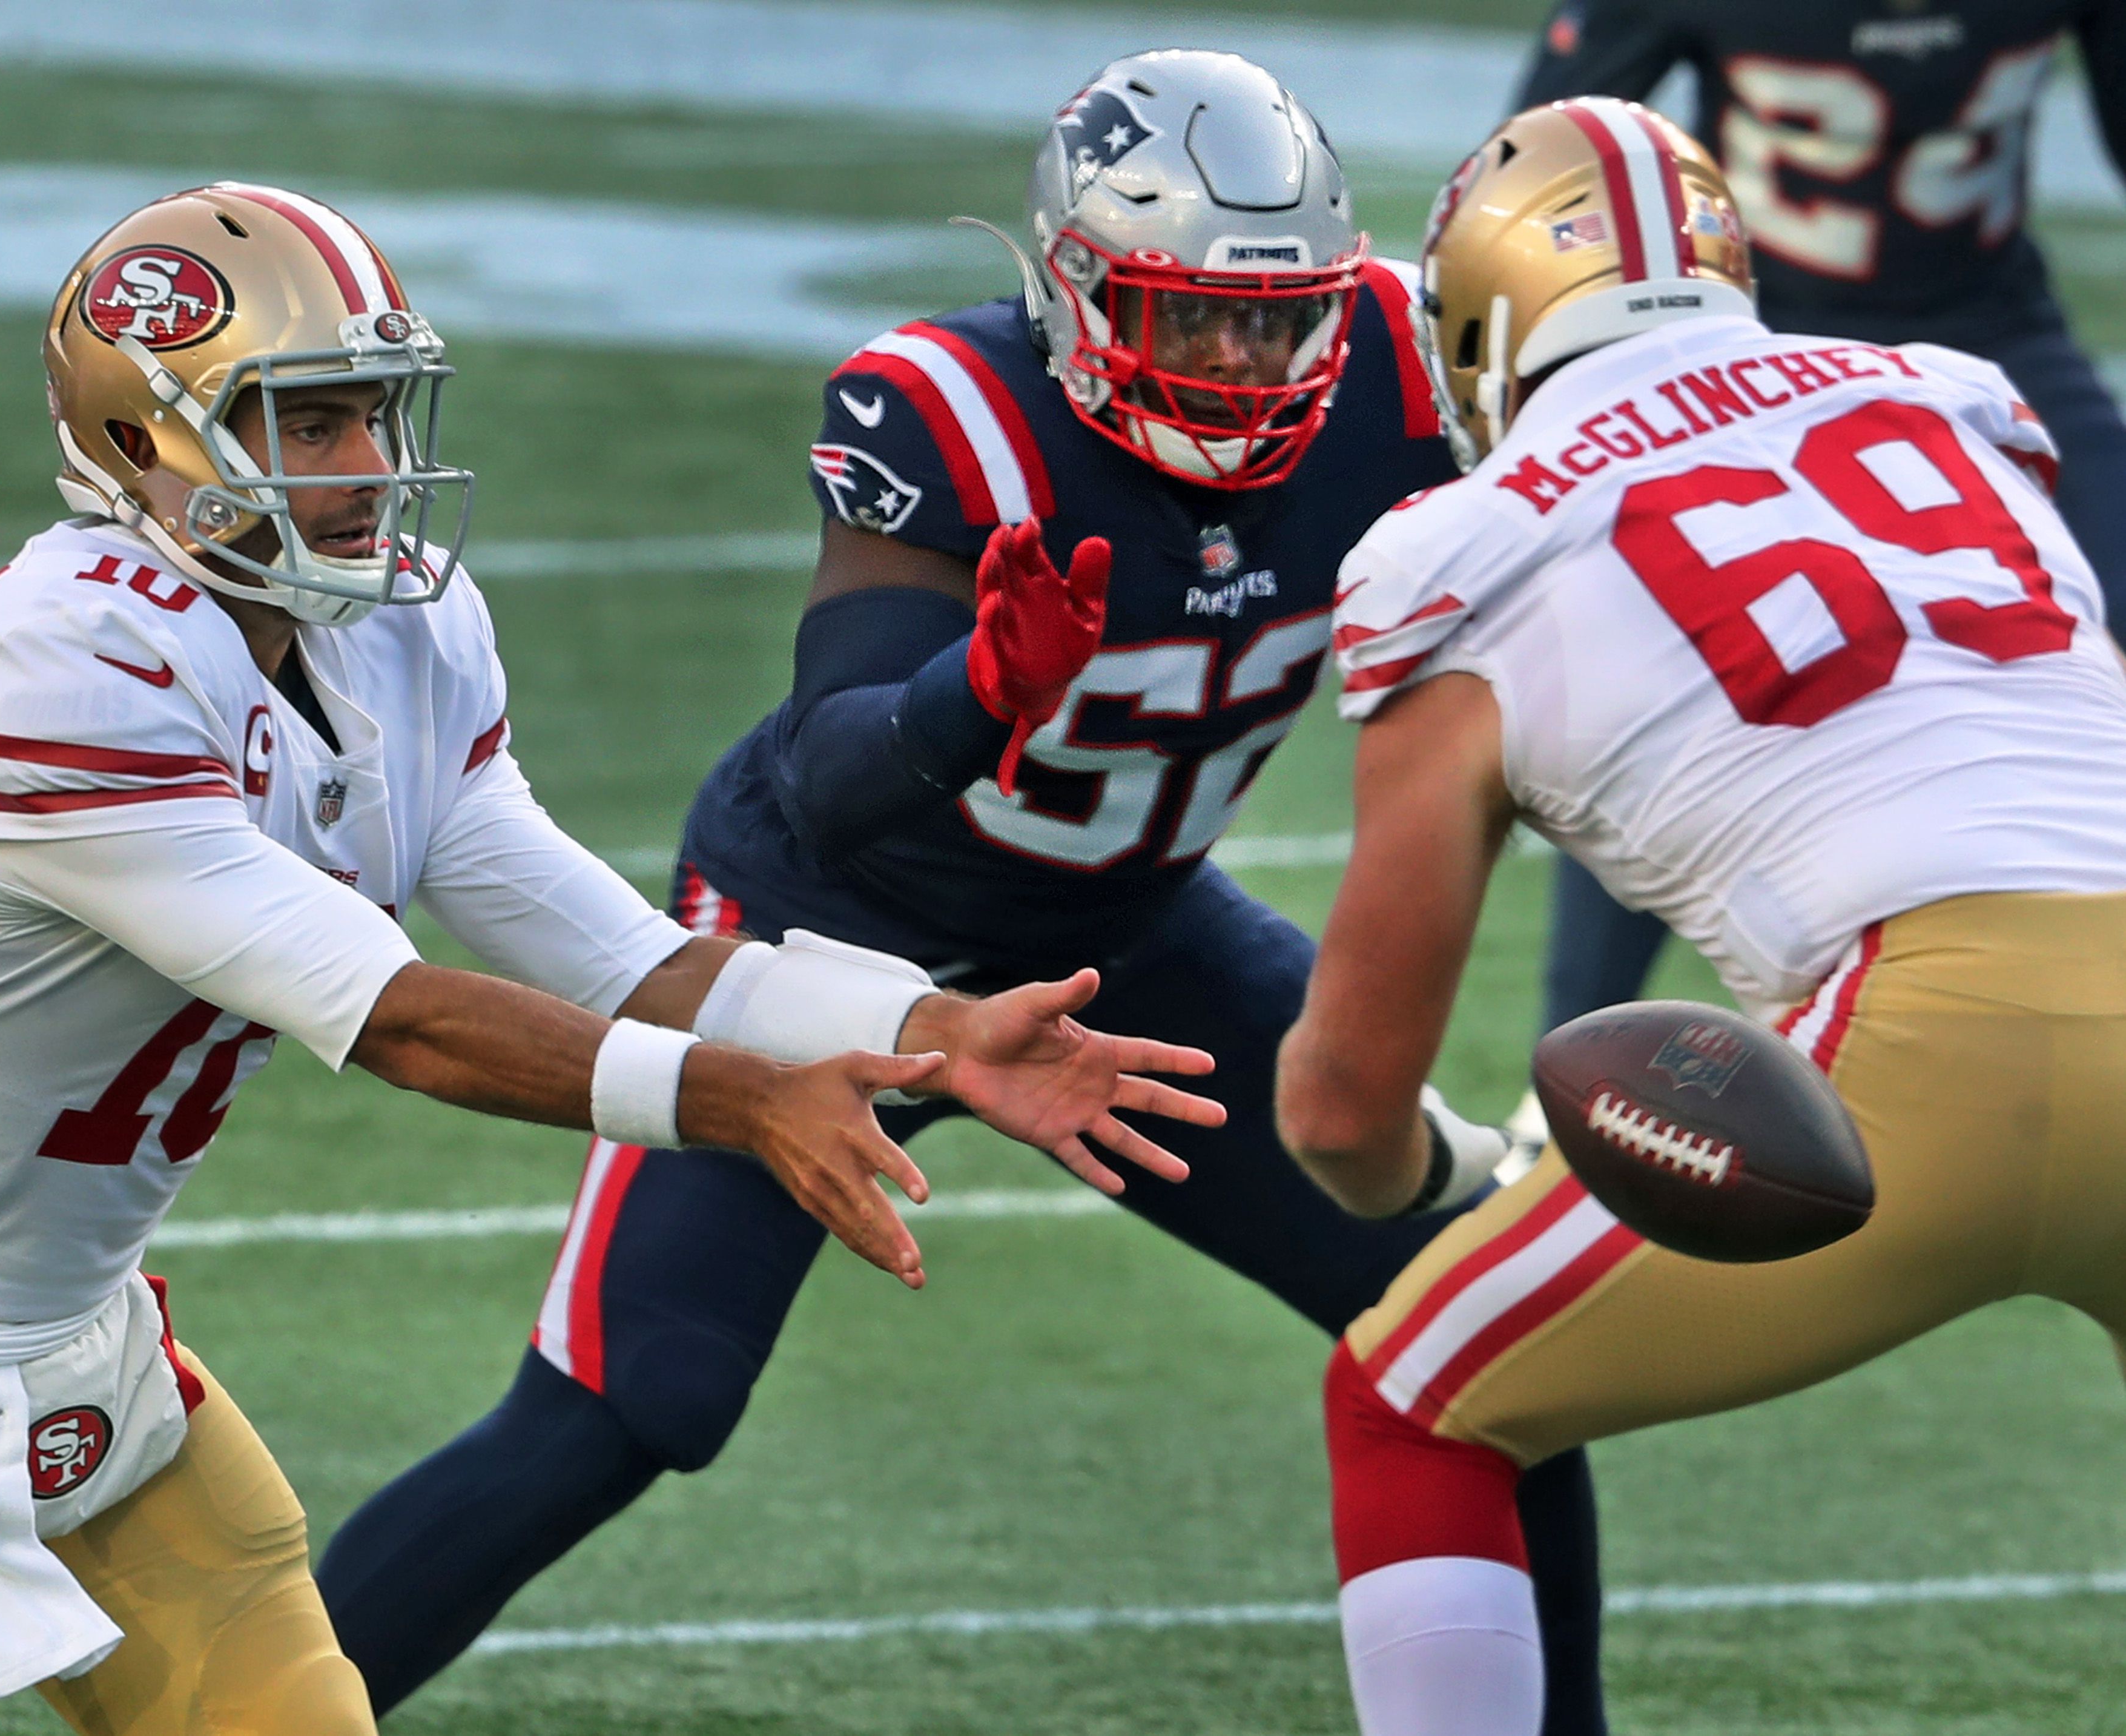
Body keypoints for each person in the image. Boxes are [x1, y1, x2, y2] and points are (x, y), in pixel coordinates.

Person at [316, 50, 1613, 1732]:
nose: (1237, 360)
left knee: (1483, 1326)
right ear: (1074, 291)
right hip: (826, 931)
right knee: (636, 1401)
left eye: (1272, 318)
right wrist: (980, 693)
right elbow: (843, 780)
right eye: (1184, 318)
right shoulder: (950, 406)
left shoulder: (1391, 365)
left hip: (1124, 932)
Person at [0, 181, 1221, 1735]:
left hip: (75, 1347)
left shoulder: (396, 638)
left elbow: (618, 953)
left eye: (375, 408)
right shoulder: (66, 664)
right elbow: (400, 1017)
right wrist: (744, 1103)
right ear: (149, 443)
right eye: (308, 424)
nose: (371, 467)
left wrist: (931, 1028)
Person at [1281, 97, 2126, 1735]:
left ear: (1478, 318)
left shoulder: (1460, 547)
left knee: (1406, 1407)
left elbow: (1336, 1108)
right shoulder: (1950, 401)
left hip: (1914, 1047)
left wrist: (1425, 1172)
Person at [1511, 0, 2126, 1057]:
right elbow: (1539, 162)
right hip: (1754, 339)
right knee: (1674, 663)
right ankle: (1575, 1058)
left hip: (1991, 330)